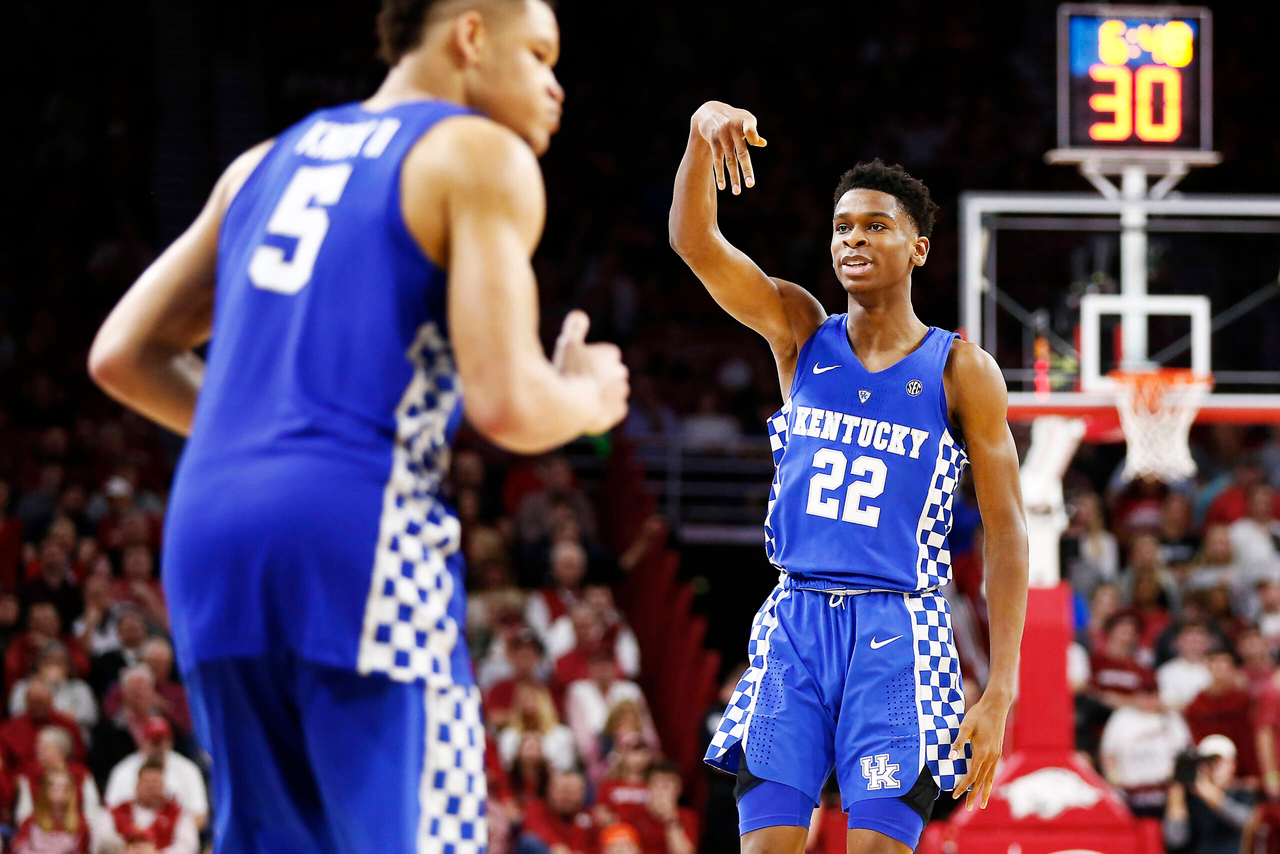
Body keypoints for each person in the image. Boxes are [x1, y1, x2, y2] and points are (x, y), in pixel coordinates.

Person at [86, 0, 629, 850]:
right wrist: (591, 395)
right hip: (356, 532)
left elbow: (121, 354)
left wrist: (271, 430)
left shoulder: (260, 164)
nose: (554, 87)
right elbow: (509, 404)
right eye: (539, 54)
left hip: (209, 536)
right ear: (470, 35)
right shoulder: (479, 154)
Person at [671, 102, 1028, 854]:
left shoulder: (962, 369)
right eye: (842, 228)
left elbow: (1007, 531)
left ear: (918, 248)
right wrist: (702, 130)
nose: (853, 239)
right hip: (797, 619)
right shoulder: (800, 329)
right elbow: (695, 243)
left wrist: (1000, 688)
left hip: (901, 628)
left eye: (874, 226)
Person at [102, 717, 208, 832]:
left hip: (174, 837)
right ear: (142, 741)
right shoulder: (123, 770)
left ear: (170, 741)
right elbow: (109, 812)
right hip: (129, 837)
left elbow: (200, 815)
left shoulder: (188, 769)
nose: (157, 747)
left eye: (161, 741)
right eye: (153, 741)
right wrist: (138, 836)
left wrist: (170, 834)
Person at [1163, 734, 1253, 854]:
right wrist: (1176, 792)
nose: (1213, 768)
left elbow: (1249, 823)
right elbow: (1175, 840)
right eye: (1208, 762)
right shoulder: (1190, 799)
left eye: (1218, 762)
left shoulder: (1242, 794)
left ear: (1232, 765)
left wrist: (1207, 791)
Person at [99, 759, 199, 854]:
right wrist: (124, 850)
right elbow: (101, 840)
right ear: (137, 784)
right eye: (146, 782)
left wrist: (159, 853)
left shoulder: (178, 814)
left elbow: (189, 847)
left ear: (163, 785)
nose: (150, 787)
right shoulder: (116, 812)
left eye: (155, 782)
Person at [11, 770, 90, 854]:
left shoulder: (80, 823)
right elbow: (18, 848)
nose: (59, 791)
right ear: (44, 791)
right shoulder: (31, 822)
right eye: (54, 787)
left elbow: (83, 850)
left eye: (64, 788)